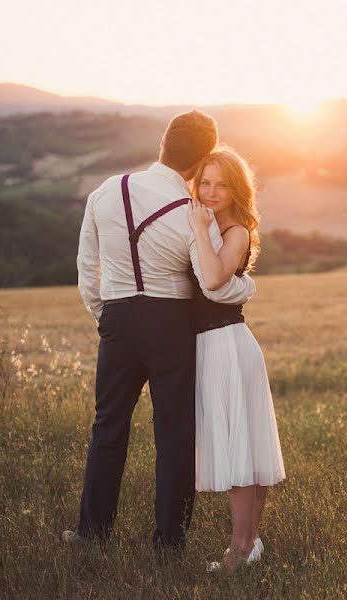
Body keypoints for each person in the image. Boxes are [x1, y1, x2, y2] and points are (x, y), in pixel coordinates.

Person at [67, 110, 257, 559]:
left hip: (116, 319)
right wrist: (249, 286)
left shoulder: (105, 191)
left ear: (164, 142)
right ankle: (168, 543)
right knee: (173, 434)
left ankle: (92, 533)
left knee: (108, 426)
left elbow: (86, 267)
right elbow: (215, 281)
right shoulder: (196, 215)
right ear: (200, 161)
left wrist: (105, 315)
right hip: (170, 323)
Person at [187, 147, 285, 573]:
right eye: (204, 182)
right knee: (247, 448)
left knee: (241, 450)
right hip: (219, 344)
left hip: (226, 345)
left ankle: (239, 551)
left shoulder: (236, 232)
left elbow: (212, 278)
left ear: (236, 189)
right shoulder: (217, 226)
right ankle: (249, 544)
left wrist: (196, 226)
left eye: (221, 184)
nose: (210, 192)